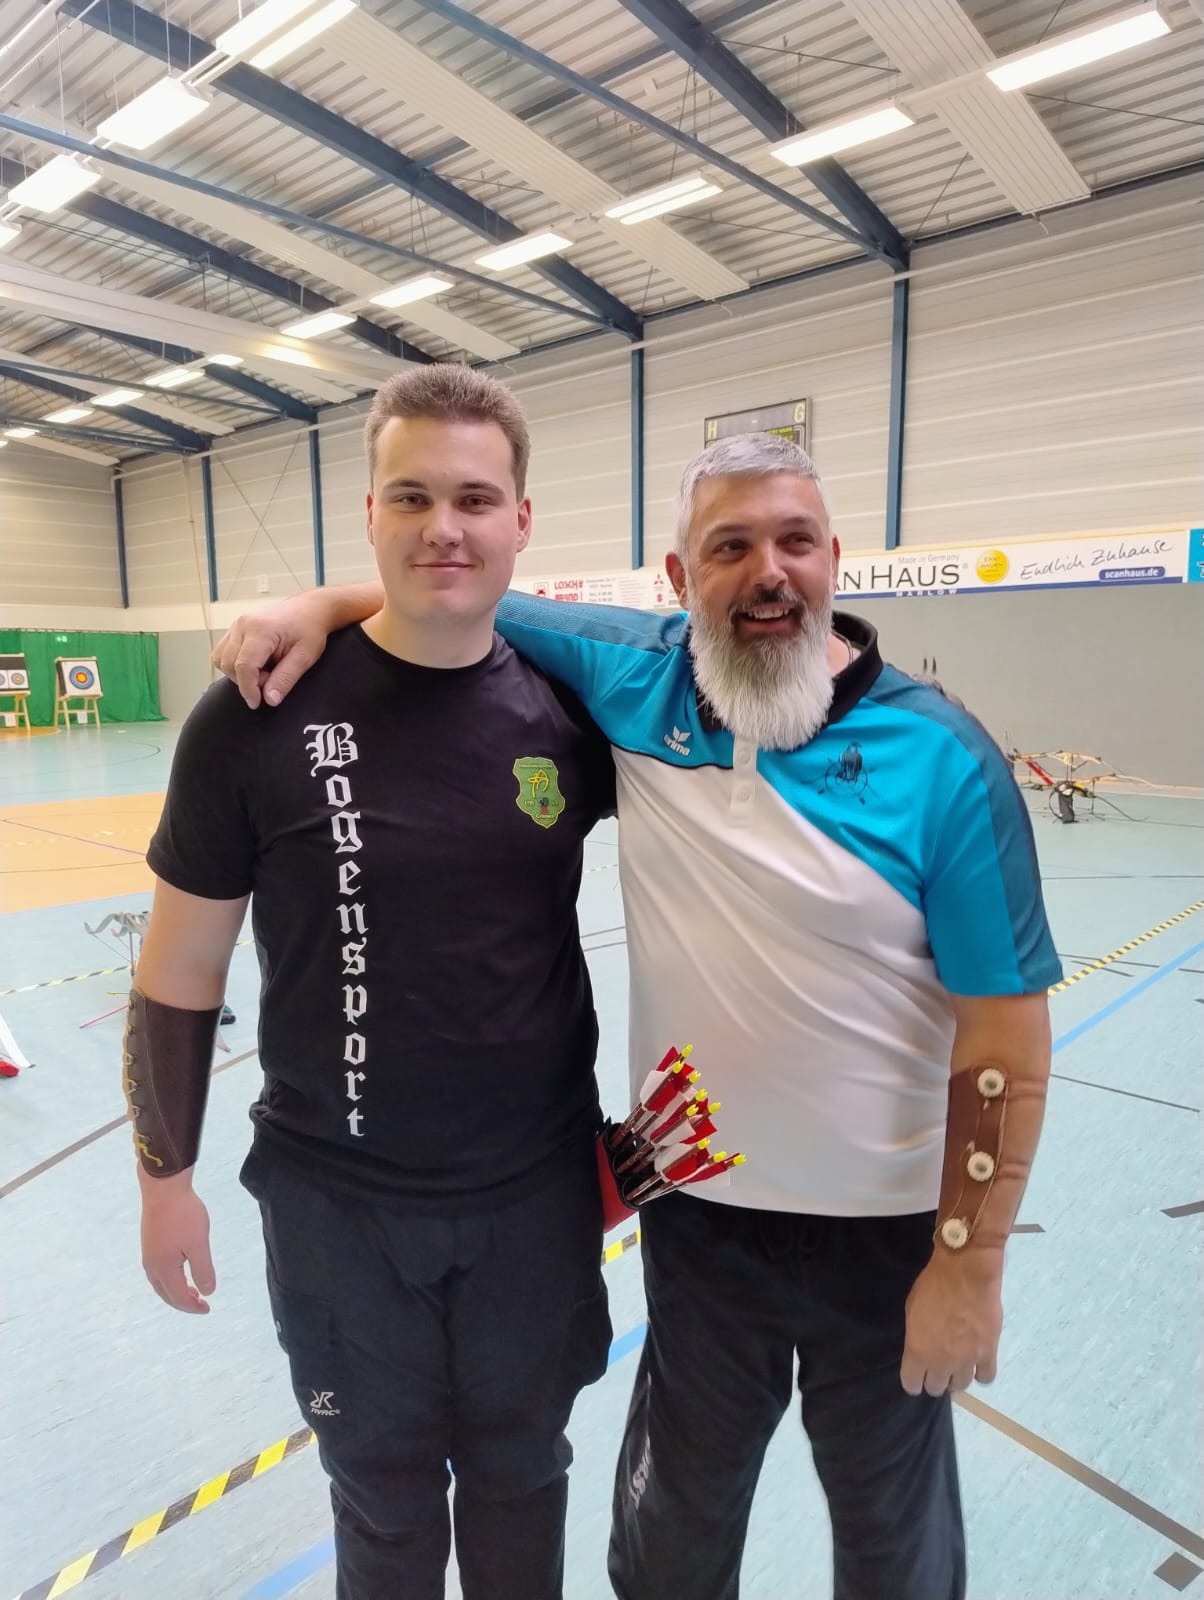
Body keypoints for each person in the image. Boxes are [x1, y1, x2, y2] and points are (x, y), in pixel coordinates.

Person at [216, 430, 1060, 1600]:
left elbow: (1006, 1041)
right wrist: (314, 604)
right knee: (667, 1550)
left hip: (890, 1238)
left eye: (795, 541)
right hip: (698, 1222)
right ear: (677, 577)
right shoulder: (638, 675)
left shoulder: (943, 757)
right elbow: (456, 588)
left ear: (835, 558)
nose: (768, 571)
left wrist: (968, 1267)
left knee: (894, 1557)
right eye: (730, 546)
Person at [124, 365, 617, 1600]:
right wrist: (164, 1179)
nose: (444, 526)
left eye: (474, 498)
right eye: (411, 497)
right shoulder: (254, 714)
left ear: (521, 520)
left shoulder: (576, 711)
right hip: (336, 1210)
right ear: (369, 513)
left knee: (522, 1482)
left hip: (535, 1199)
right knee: (383, 1508)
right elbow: (179, 969)